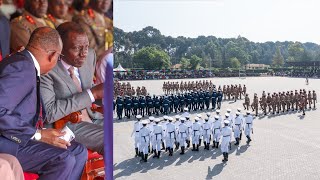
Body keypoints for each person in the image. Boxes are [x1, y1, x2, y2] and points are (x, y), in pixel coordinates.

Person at [0, 27, 87, 179]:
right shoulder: (21, 67)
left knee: (78, 151)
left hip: (21, 136)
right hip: (7, 140)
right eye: (59, 57)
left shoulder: (26, 64)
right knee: (62, 158)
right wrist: (38, 135)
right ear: (53, 55)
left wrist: (43, 132)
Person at [40, 22, 104, 155]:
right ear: (60, 49)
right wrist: (93, 94)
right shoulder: (46, 68)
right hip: (65, 125)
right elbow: (50, 113)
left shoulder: (90, 55)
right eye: (77, 48)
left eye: (86, 47)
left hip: (93, 116)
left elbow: (85, 89)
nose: (84, 53)